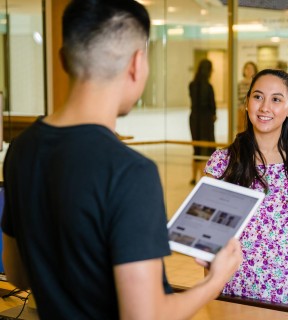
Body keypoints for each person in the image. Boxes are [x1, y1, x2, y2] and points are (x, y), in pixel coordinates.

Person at [1, 1, 242, 318]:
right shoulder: (131, 172)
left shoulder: (21, 149)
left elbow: (17, 274)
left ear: (62, 60)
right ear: (137, 64)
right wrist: (216, 280)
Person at [204, 69, 288, 310]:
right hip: (237, 288)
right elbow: (211, 237)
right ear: (247, 102)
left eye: (276, 99)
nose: (265, 107)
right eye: (258, 97)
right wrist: (212, 294)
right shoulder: (222, 162)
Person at [189, 58, 217, 184]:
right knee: (209, 147)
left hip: (194, 118)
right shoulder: (209, 87)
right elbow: (212, 105)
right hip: (206, 119)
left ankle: (194, 177)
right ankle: (203, 177)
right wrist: (214, 115)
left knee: (197, 148)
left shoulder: (192, 85)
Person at [237, 61, 258, 133]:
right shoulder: (239, 84)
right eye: (247, 69)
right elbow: (236, 98)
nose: (249, 71)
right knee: (241, 130)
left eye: (251, 69)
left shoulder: (257, 84)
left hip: (254, 111)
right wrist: (241, 107)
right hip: (241, 112)